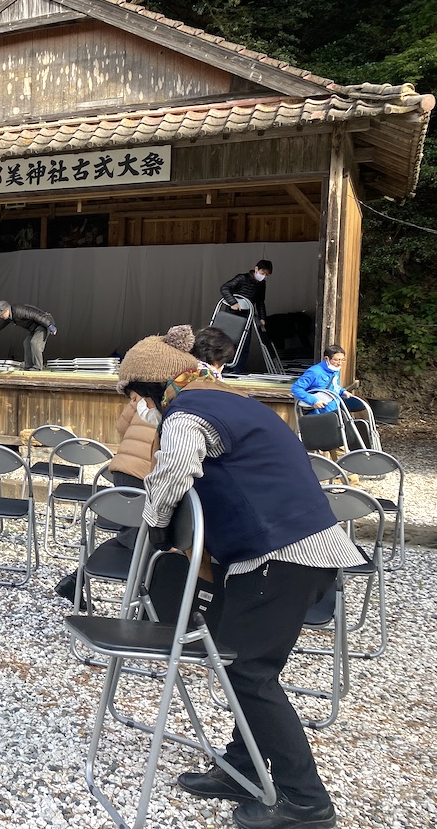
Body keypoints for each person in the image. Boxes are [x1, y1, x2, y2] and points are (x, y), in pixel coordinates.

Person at [142, 353, 364, 829]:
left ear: (151, 392)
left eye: (138, 400)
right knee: (242, 666)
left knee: (249, 673)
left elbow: (174, 467)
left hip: (280, 554)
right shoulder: (239, 403)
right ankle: (242, 767)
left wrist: (156, 520)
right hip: (295, 551)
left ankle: (306, 801)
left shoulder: (187, 412)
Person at [54, 325, 197, 603]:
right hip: (148, 471)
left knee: (133, 533)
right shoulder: (178, 396)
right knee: (148, 537)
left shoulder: (139, 393)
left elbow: (121, 427)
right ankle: (148, 596)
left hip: (122, 469)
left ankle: (80, 579)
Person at [0, 300, 57, 371]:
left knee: (35, 342)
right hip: (35, 328)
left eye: (2, 314)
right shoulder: (8, 317)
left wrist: (49, 325)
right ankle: (28, 366)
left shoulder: (19, 310)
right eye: (0, 315)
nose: (1, 316)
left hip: (44, 323)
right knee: (26, 343)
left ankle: (38, 367)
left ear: (7, 309)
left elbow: (36, 315)